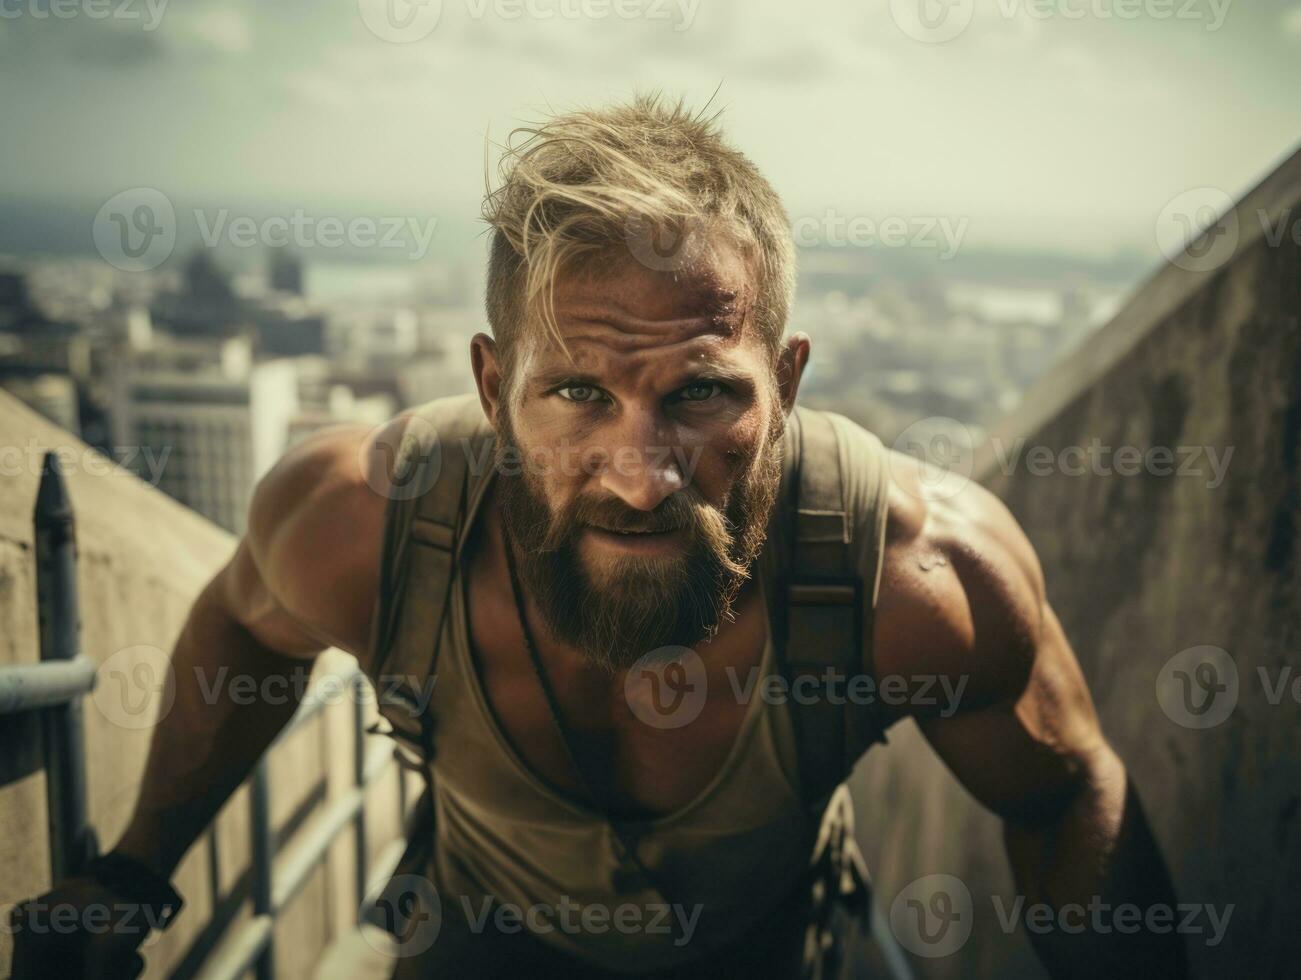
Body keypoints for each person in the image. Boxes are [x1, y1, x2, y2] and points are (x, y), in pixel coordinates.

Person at [9, 93, 1184, 979]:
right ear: (488, 386)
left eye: (700, 395)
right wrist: (132, 867)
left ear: (784, 382)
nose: (640, 476)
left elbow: (1063, 787)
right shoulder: (359, 525)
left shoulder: (916, 575)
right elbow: (246, 630)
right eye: (575, 393)